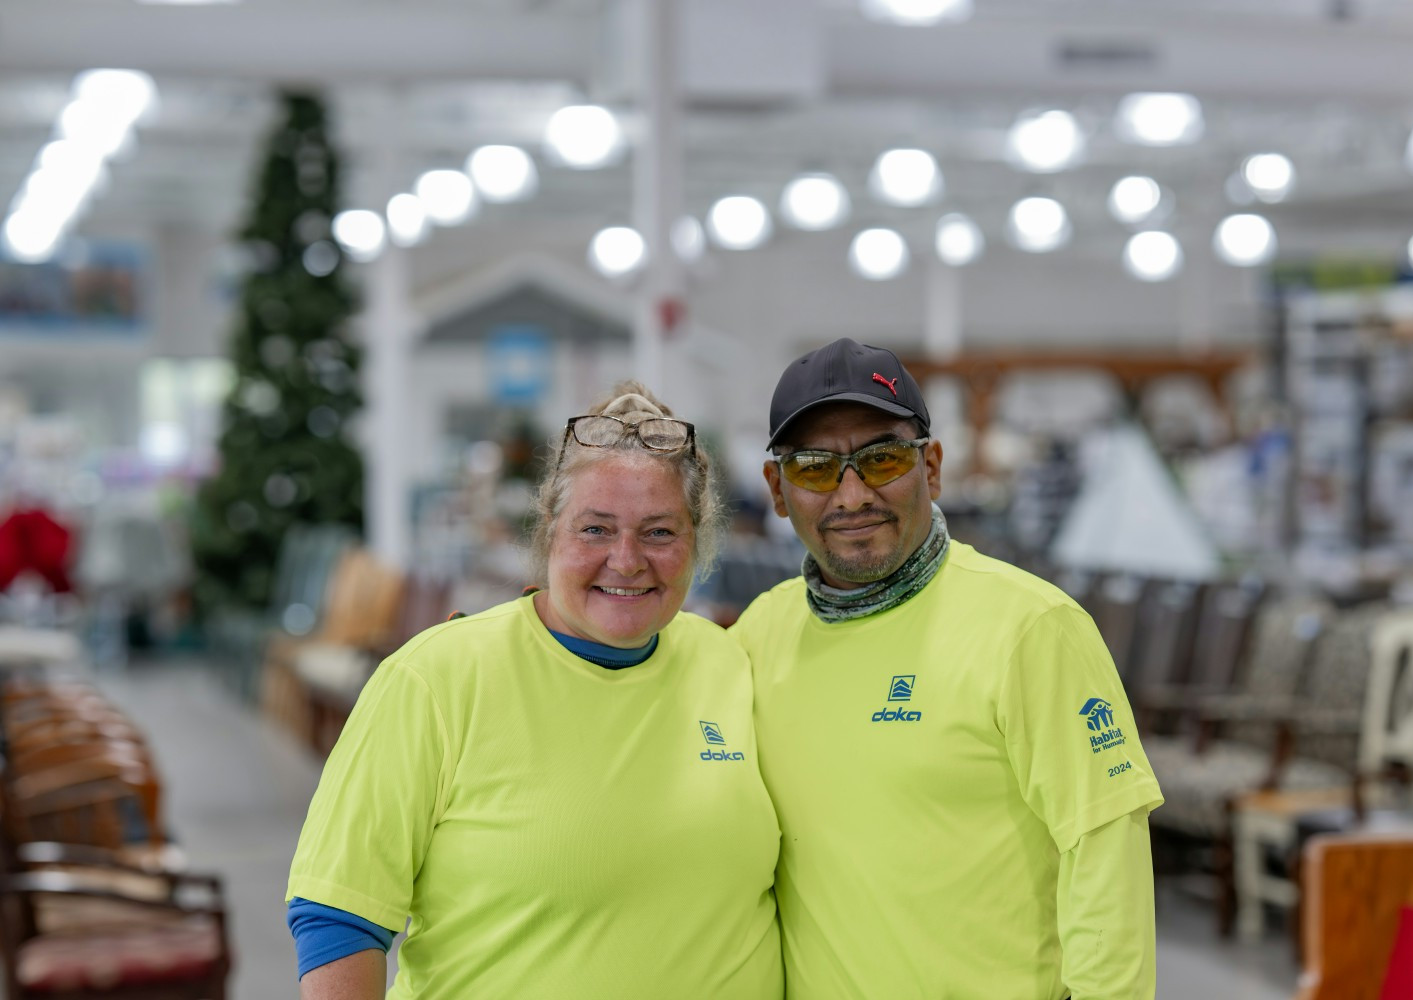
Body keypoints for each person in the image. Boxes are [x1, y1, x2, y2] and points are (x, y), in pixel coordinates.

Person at [286, 383, 782, 999]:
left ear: (697, 539)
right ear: (550, 529)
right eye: (596, 529)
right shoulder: (437, 679)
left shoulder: (729, 662)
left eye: (659, 532)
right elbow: (338, 917)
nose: (626, 560)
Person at [731, 339, 1163, 1000]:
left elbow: (1105, 855)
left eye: (881, 459)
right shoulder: (761, 633)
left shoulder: (1031, 628)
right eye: (817, 469)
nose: (852, 494)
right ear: (778, 491)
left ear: (931, 468)